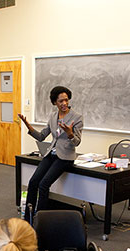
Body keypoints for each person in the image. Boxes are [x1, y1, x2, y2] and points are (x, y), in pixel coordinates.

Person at [18, 86, 82, 221]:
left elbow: (77, 142)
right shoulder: (53, 116)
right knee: (33, 181)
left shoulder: (77, 117)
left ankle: (41, 219)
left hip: (65, 157)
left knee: (44, 184)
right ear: (55, 103)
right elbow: (42, 136)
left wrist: (70, 134)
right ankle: (28, 217)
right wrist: (29, 127)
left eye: (66, 100)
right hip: (51, 154)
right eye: (60, 101)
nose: (64, 103)